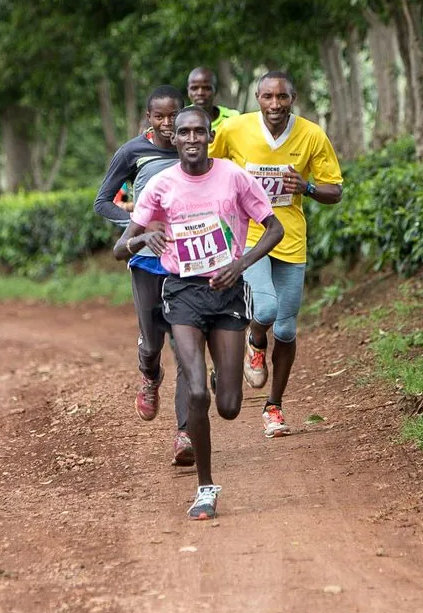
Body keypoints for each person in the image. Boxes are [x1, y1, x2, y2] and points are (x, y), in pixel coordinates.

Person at [113, 106, 284, 520]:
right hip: (183, 293)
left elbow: (274, 228)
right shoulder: (160, 185)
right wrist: (144, 238)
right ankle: (205, 489)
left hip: (226, 294)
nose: (191, 138)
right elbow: (120, 248)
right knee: (195, 393)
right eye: (184, 132)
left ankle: (220, 373)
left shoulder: (233, 176)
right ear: (175, 140)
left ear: (210, 136)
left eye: (199, 132)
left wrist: (240, 265)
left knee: (227, 405)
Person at [210, 71, 343, 438]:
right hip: (249, 235)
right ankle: (254, 343)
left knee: (285, 329)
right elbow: (205, 165)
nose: (274, 104)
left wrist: (308, 186)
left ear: (293, 98)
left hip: (291, 238)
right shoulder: (235, 130)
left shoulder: (312, 134)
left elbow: (336, 191)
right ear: (257, 97)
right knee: (265, 310)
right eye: (267, 96)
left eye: (282, 97)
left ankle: (274, 407)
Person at [94, 86, 195, 466]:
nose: (169, 124)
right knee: (153, 342)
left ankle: (185, 433)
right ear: (149, 117)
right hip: (146, 260)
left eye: (174, 116)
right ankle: (149, 375)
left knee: (188, 350)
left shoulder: (194, 145)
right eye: (160, 117)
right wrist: (138, 224)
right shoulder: (133, 151)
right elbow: (102, 201)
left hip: (188, 260)